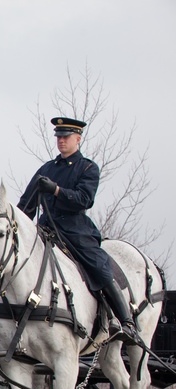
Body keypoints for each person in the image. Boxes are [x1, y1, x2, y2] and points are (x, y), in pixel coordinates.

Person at [18, 116, 138, 343]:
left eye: (65, 137)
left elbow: (84, 199)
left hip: (74, 229)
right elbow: (27, 206)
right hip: (46, 228)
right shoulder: (46, 168)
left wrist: (55, 191)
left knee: (99, 266)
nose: (61, 141)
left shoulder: (87, 168)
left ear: (78, 139)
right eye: (58, 137)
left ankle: (127, 322)